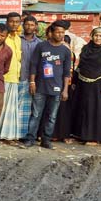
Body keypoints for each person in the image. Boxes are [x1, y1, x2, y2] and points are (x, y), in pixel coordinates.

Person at [24, 21, 71, 149]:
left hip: (57, 89)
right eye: (58, 32)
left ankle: (46, 140)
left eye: (62, 32)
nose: (60, 35)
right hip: (40, 87)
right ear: (51, 32)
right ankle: (30, 139)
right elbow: (33, 65)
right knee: (36, 114)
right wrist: (32, 81)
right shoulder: (41, 46)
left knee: (52, 116)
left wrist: (65, 89)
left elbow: (67, 72)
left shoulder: (65, 50)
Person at [0, 12, 24, 142]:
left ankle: (7, 135)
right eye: (12, 21)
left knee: (10, 109)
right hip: (3, 77)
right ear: (7, 22)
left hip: (15, 77)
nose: (14, 24)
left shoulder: (18, 39)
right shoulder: (2, 37)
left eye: (17, 22)